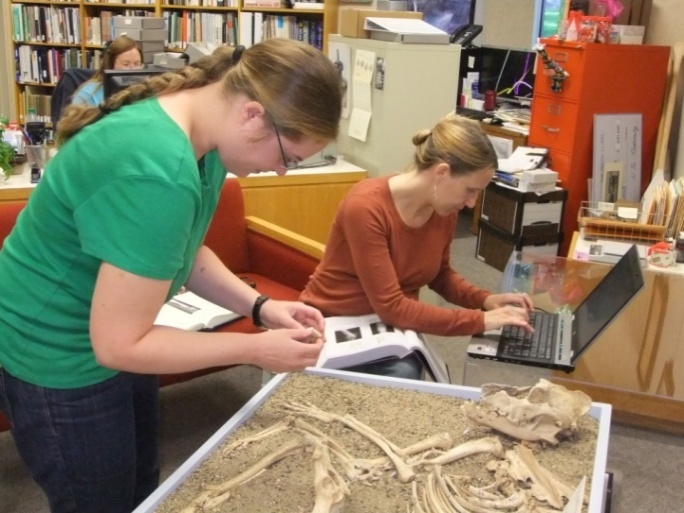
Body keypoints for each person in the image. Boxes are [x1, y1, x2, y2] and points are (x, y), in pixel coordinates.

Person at [0, 39, 342, 513]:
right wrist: (254, 348)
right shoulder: (157, 169)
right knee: (98, 500)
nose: (282, 173)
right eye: (289, 157)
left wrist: (260, 308)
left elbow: (183, 251)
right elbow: (118, 344)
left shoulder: (205, 133)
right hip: (57, 351)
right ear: (253, 116)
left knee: (142, 482)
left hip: (115, 330)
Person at [300, 114, 533, 380]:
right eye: (470, 190)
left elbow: (440, 275)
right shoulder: (366, 207)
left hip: (386, 328)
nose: (471, 203)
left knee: (411, 375)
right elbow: (393, 307)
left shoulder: (443, 209)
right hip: (336, 323)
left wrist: (485, 300)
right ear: (441, 172)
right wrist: (480, 320)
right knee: (405, 378)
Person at [71, 35, 144, 106]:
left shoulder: (144, 92)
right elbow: (74, 118)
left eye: (137, 64)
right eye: (126, 65)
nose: (133, 70)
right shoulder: (87, 95)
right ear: (111, 65)